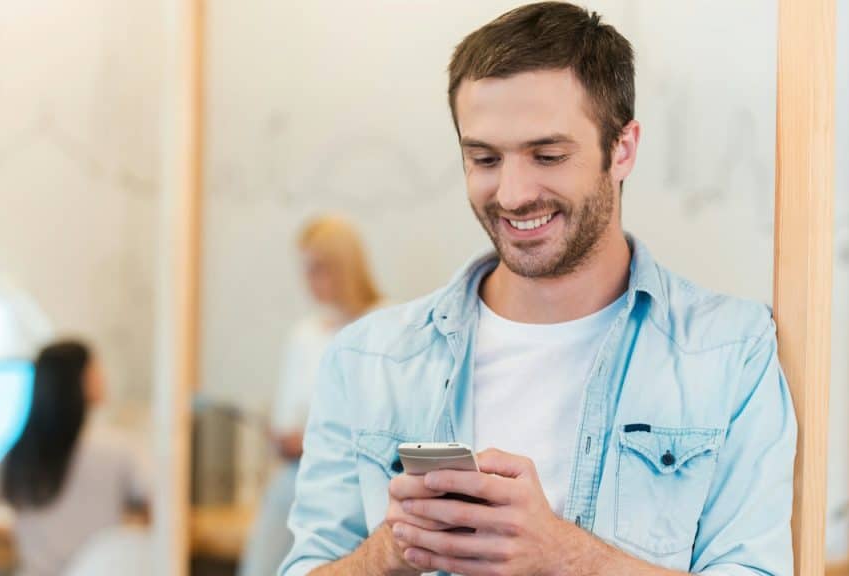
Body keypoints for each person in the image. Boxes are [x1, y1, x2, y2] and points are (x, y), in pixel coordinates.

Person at [280, 3, 797, 576]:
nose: (512, 193)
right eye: (484, 158)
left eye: (547, 155)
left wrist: (564, 555)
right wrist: (389, 552)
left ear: (622, 148)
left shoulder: (730, 354)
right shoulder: (367, 360)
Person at [241, 215, 384, 576]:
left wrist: (318, 440)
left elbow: (388, 423)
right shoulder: (304, 335)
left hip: (360, 476)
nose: (309, 281)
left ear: (343, 267)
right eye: (305, 270)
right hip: (298, 474)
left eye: (318, 269)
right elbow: (286, 420)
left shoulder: (386, 326)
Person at [0, 340, 150, 576]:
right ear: (84, 381)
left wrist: (14, 532)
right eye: (96, 370)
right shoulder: (119, 448)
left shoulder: (20, 451)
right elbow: (160, 513)